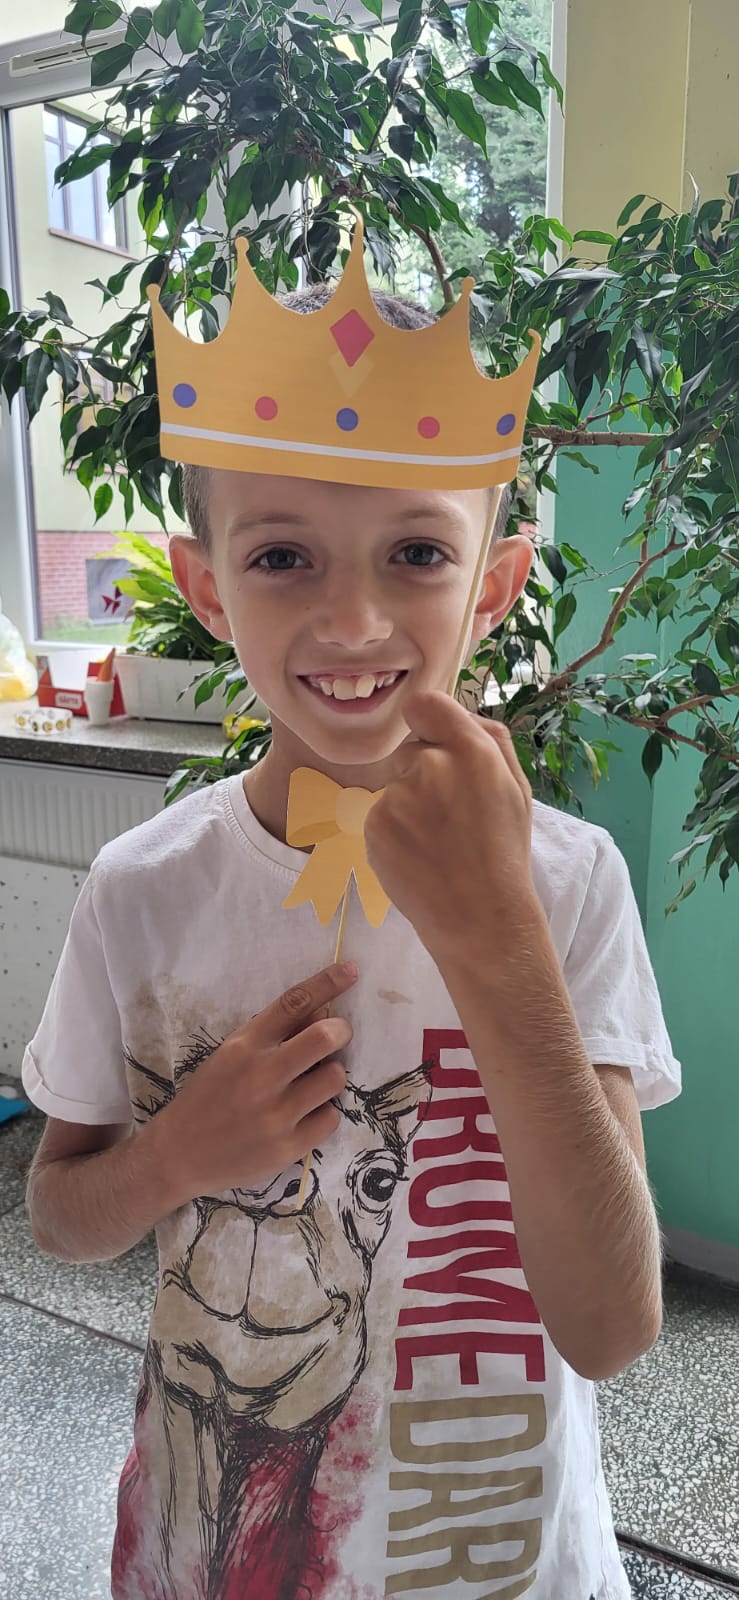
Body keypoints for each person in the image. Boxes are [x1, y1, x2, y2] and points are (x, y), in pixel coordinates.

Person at [22, 269, 680, 1600]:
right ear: (209, 588)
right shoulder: (142, 890)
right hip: (213, 1559)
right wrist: (180, 1155)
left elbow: (614, 1326)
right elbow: (57, 1214)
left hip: (501, 1560)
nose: (353, 622)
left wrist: (500, 943)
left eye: (417, 554)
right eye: (282, 557)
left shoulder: (569, 885)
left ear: (494, 582)